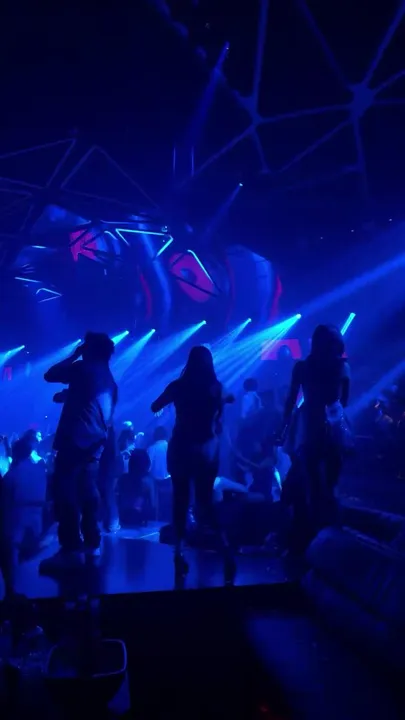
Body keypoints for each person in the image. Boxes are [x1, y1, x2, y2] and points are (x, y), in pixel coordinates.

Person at [151, 345, 235, 580]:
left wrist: (173, 402)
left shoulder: (178, 386)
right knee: (205, 502)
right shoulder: (216, 387)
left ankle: (179, 554)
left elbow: (155, 406)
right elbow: (230, 397)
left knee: (180, 501)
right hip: (206, 449)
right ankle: (225, 548)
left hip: (181, 447)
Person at [42, 332, 117, 569]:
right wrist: (69, 395)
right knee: (88, 491)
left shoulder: (83, 368)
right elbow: (94, 403)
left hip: (74, 440)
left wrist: (74, 355)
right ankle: (92, 543)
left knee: (65, 492)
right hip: (95, 444)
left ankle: (70, 548)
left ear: (89, 348)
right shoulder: (108, 378)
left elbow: (50, 374)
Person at [280, 324, 350, 547]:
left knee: (311, 481)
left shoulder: (302, 367)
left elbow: (291, 401)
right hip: (333, 424)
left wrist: (283, 427)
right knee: (331, 482)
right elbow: (344, 401)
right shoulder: (342, 366)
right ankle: (332, 533)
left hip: (309, 424)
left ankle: (311, 535)